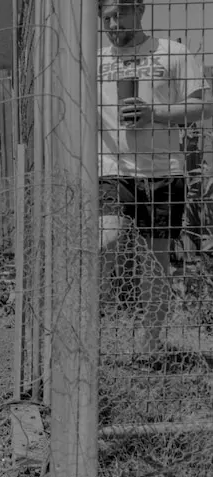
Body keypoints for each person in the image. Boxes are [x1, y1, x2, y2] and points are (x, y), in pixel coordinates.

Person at [97, 0, 208, 359]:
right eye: (107, 18)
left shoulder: (172, 52)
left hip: (164, 172)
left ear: (140, 10)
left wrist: (153, 114)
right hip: (113, 169)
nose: (114, 24)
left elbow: (201, 107)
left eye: (121, 14)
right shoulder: (94, 60)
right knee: (106, 241)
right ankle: (92, 331)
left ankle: (149, 346)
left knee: (156, 263)